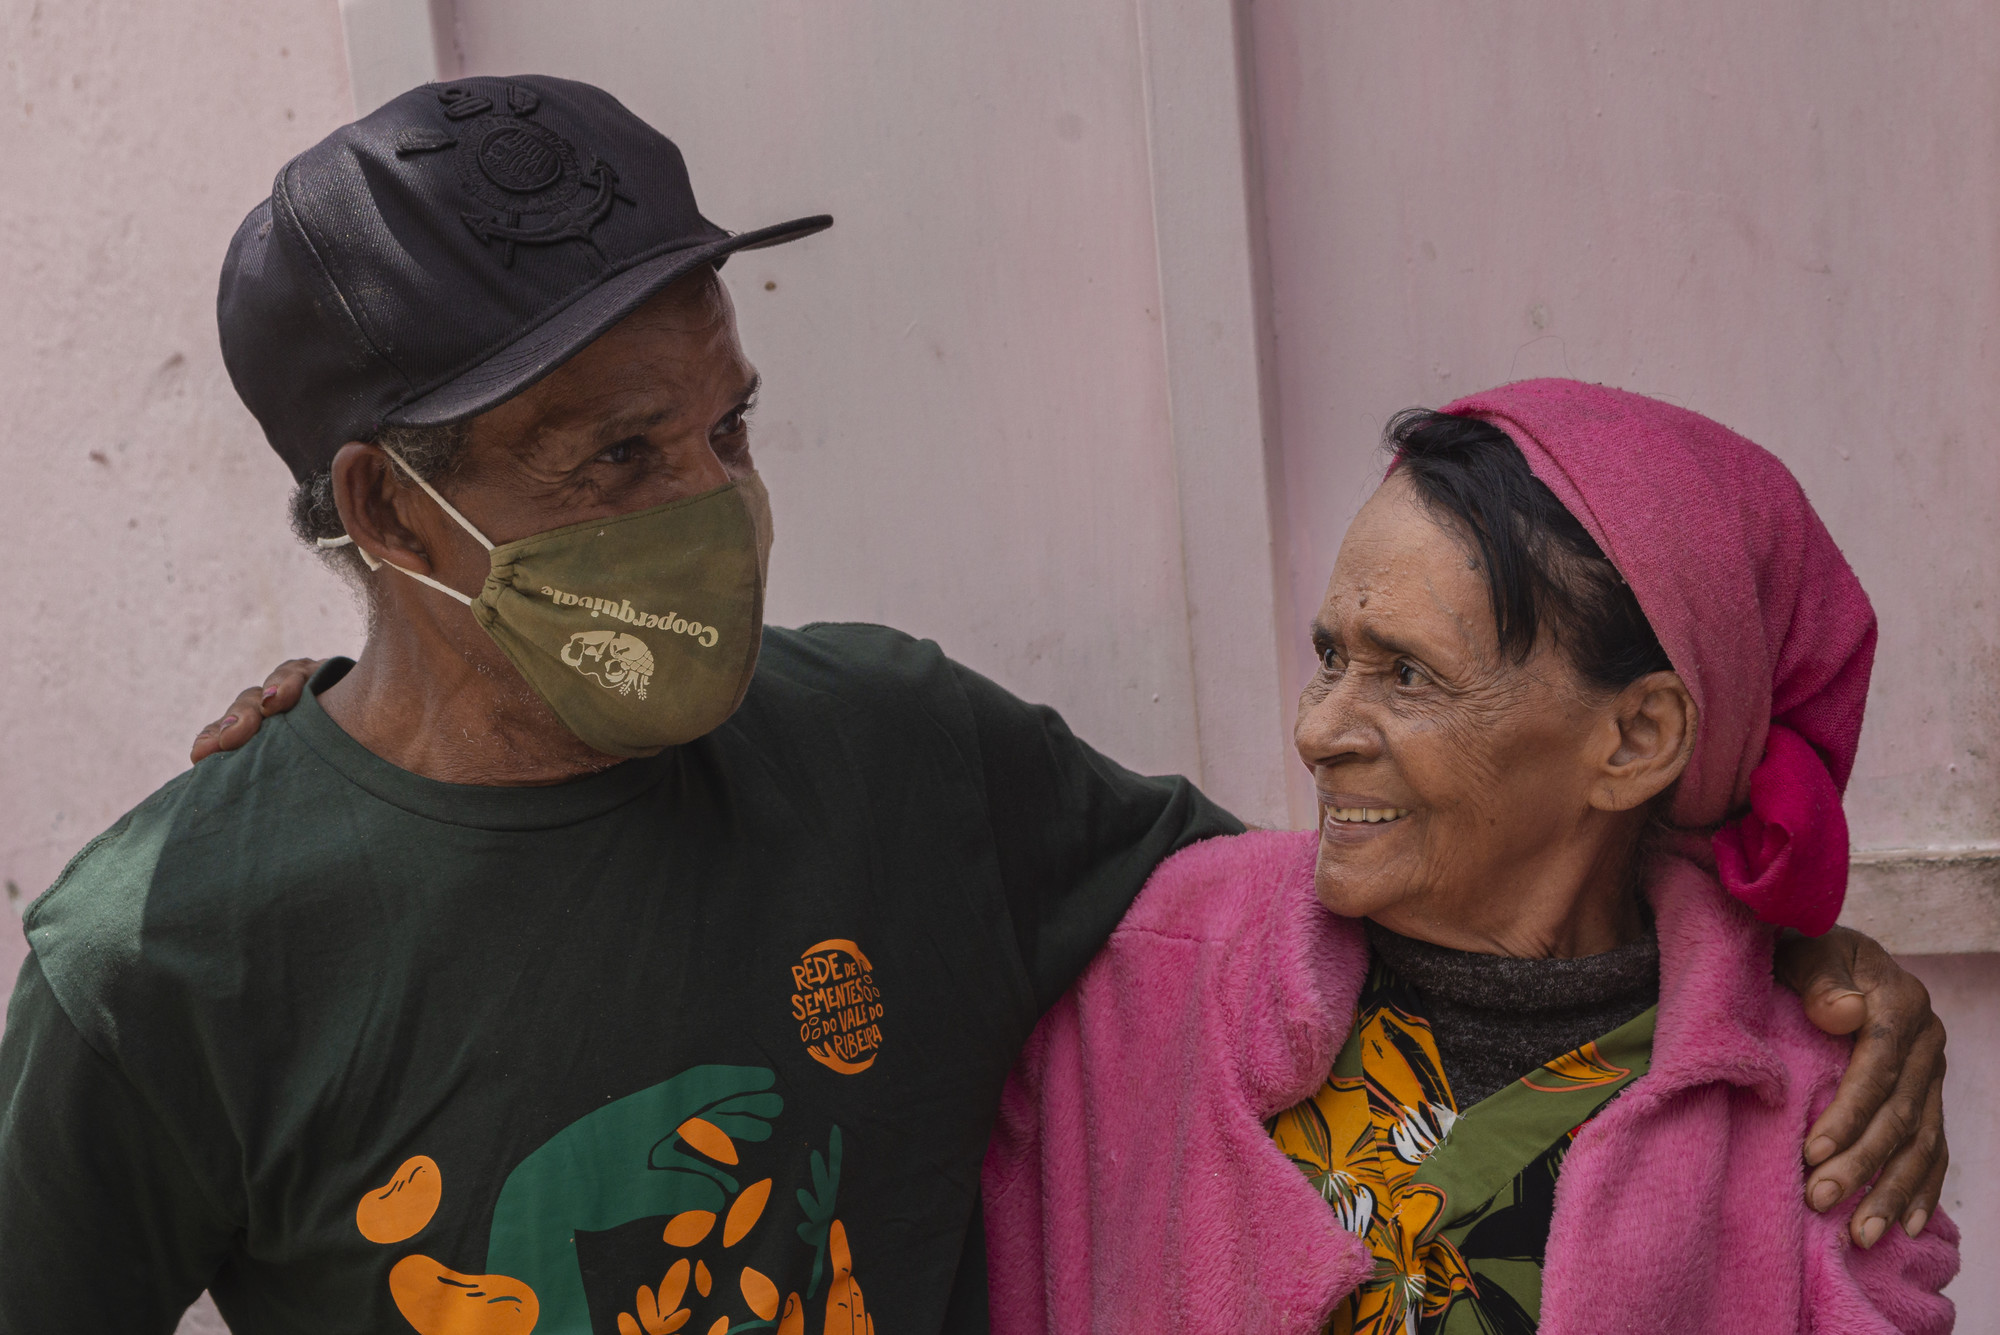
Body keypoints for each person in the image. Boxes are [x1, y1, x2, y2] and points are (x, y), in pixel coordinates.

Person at [0, 70, 1942, 1333]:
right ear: (384, 508)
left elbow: (1403, 899)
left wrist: (1781, 952)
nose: (716, 507)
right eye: (610, 460)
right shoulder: (168, 949)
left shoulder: (899, 752)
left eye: (730, 422)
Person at [982, 383, 1960, 1333]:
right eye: (1330, 658)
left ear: (1635, 738)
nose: (1319, 730)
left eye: (1406, 675)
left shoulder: (1825, 1122)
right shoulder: (1151, 968)